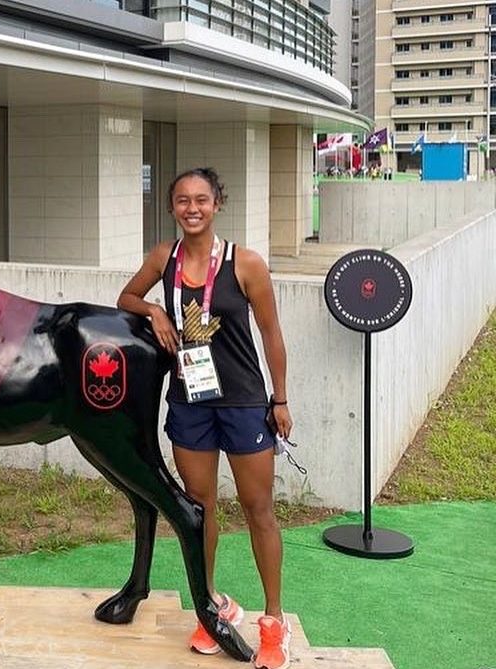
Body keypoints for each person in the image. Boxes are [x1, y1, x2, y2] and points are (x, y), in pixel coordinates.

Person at [117, 167, 294, 669]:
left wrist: (279, 400)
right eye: (181, 201)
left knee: (258, 508)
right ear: (172, 206)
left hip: (242, 404)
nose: (191, 208)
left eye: (201, 200)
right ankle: (211, 607)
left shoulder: (247, 264)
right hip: (189, 402)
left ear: (217, 204)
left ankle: (274, 621)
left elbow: (272, 334)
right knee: (200, 511)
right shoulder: (163, 258)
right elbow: (126, 298)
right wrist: (154, 312)